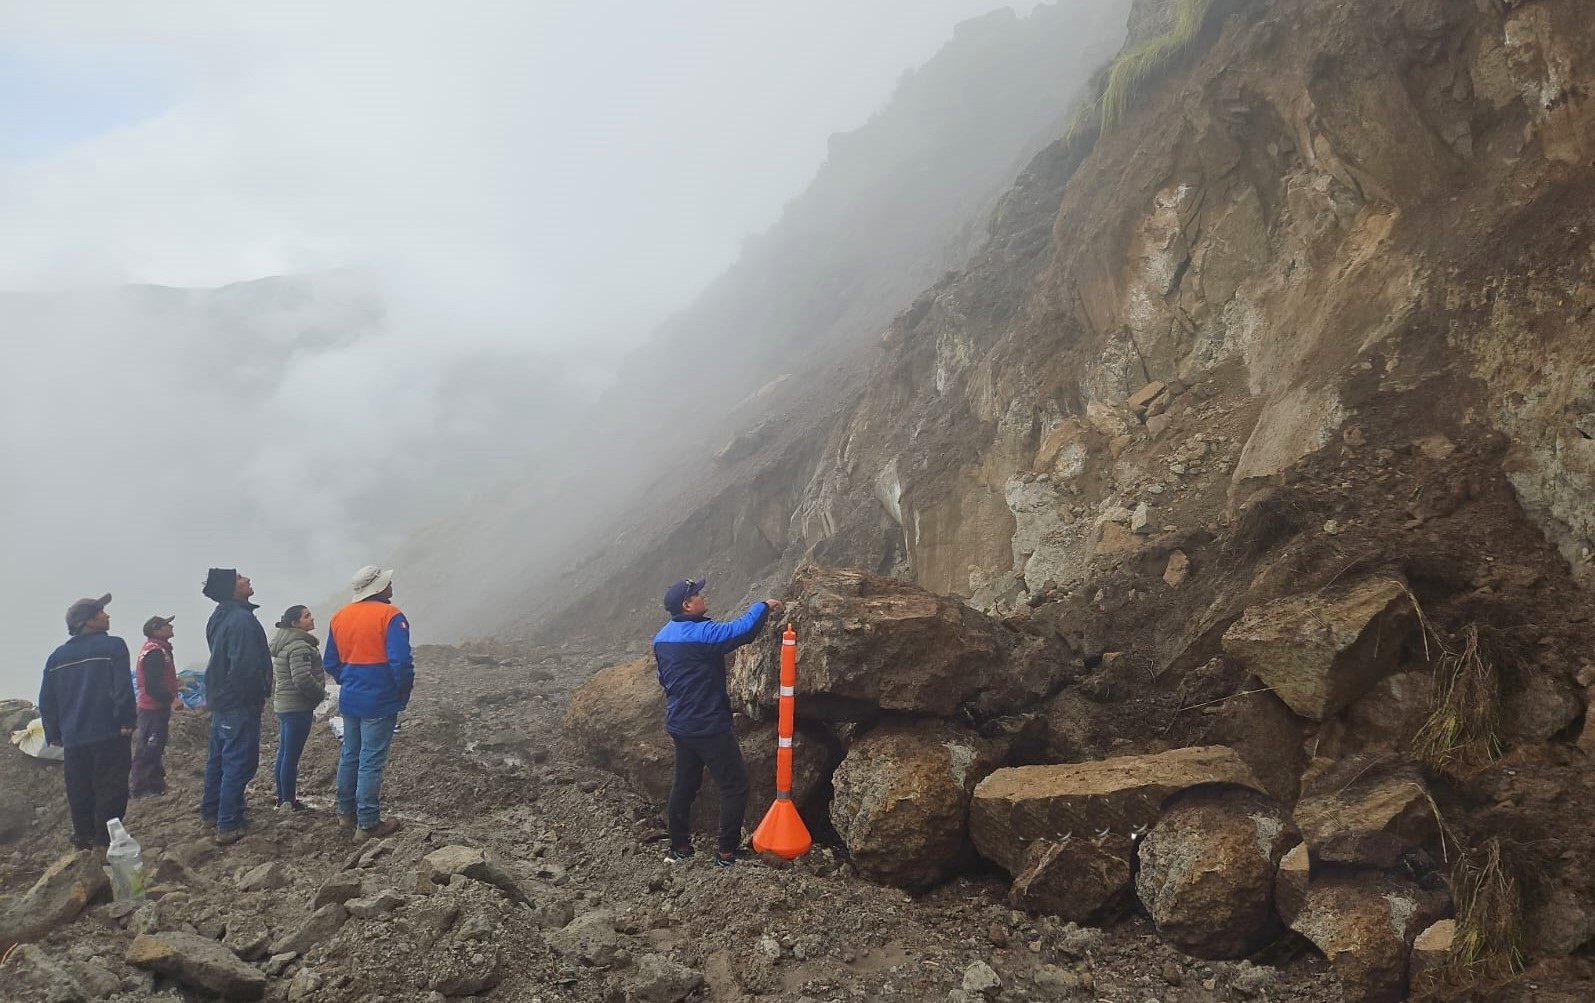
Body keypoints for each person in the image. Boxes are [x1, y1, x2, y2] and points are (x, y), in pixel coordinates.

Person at [651, 577, 783, 866]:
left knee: (684, 785)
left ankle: (680, 847)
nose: (702, 596)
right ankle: (726, 853)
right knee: (734, 784)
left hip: (680, 724)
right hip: (708, 725)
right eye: (697, 594)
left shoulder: (661, 637)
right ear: (687, 605)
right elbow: (740, 631)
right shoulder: (701, 634)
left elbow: (664, 679)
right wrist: (762, 606)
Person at [39, 594, 136, 850]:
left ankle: (83, 838)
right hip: (108, 732)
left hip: (73, 738)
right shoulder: (114, 647)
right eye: (101, 612)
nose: (107, 615)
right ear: (89, 621)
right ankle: (105, 842)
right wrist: (126, 719)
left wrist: (54, 732)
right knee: (111, 786)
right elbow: (122, 688)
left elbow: (46, 699)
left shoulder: (56, 657)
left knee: (80, 788)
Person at [324, 565, 413, 842]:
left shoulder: (339, 616)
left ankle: (345, 813)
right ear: (378, 587)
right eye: (388, 582)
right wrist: (401, 692)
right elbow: (400, 663)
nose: (391, 585)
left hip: (351, 698)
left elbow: (330, 662)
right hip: (380, 698)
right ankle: (368, 822)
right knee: (371, 760)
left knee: (351, 754)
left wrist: (349, 680)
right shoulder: (391, 615)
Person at [198, 568, 272, 845]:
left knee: (219, 759)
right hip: (238, 702)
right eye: (241, 578)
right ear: (232, 588)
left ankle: (211, 812)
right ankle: (229, 822)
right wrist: (255, 697)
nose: (248, 579)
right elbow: (245, 667)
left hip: (222, 700)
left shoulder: (220, 617)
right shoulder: (241, 620)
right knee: (238, 762)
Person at [270, 604, 325, 811]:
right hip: (297, 706)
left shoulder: (285, 644)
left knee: (284, 753)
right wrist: (320, 693)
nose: (311, 619)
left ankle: (282, 797)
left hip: (284, 705)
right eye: (306, 616)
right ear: (295, 623)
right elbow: (302, 679)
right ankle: (288, 801)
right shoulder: (299, 646)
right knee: (290, 756)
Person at [129, 614, 178, 797]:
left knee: (155, 747)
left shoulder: (157, 649)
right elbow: (152, 685)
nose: (171, 626)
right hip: (152, 710)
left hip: (153, 709)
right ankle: (142, 788)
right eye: (166, 624)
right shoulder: (155, 652)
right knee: (149, 747)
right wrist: (171, 699)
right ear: (157, 630)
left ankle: (156, 784)